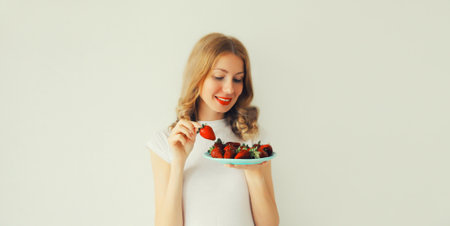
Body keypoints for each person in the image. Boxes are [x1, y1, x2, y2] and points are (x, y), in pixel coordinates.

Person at [146, 32, 279, 226]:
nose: (229, 89)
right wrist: (178, 162)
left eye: (237, 79)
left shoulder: (251, 137)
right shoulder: (165, 141)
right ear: (197, 77)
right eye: (219, 76)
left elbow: (270, 224)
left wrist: (254, 172)